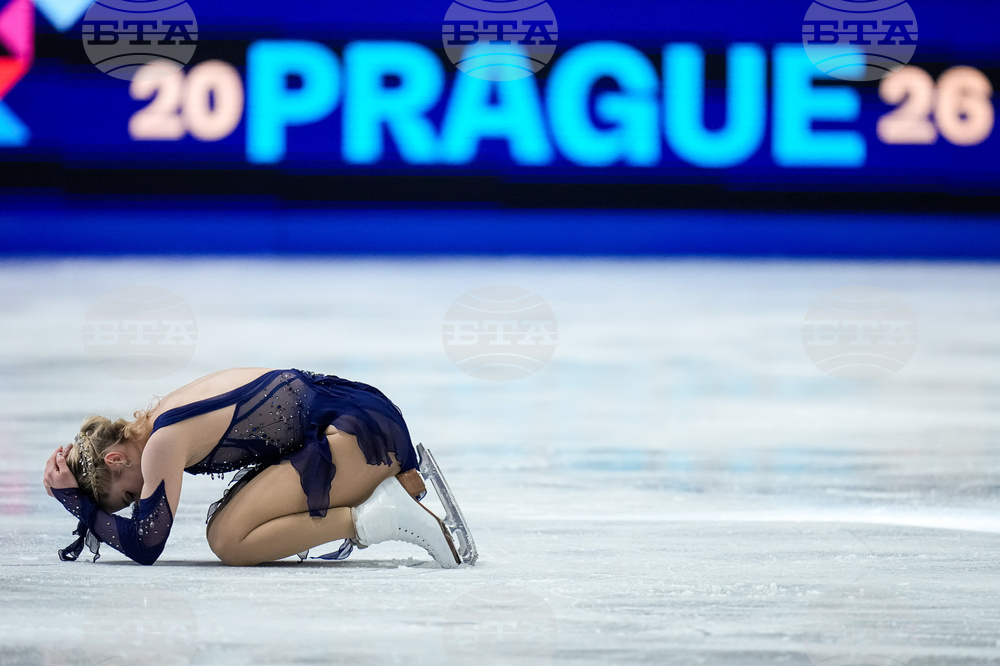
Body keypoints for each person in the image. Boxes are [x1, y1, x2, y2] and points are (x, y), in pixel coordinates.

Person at [41, 368, 463, 568]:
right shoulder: (157, 421)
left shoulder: (161, 443)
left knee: (230, 540)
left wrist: (75, 502)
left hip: (358, 435)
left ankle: (377, 515)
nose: (141, 498)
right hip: (359, 422)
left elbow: (146, 544)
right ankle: (379, 492)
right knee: (224, 527)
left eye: (129, 496)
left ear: (116, 459)